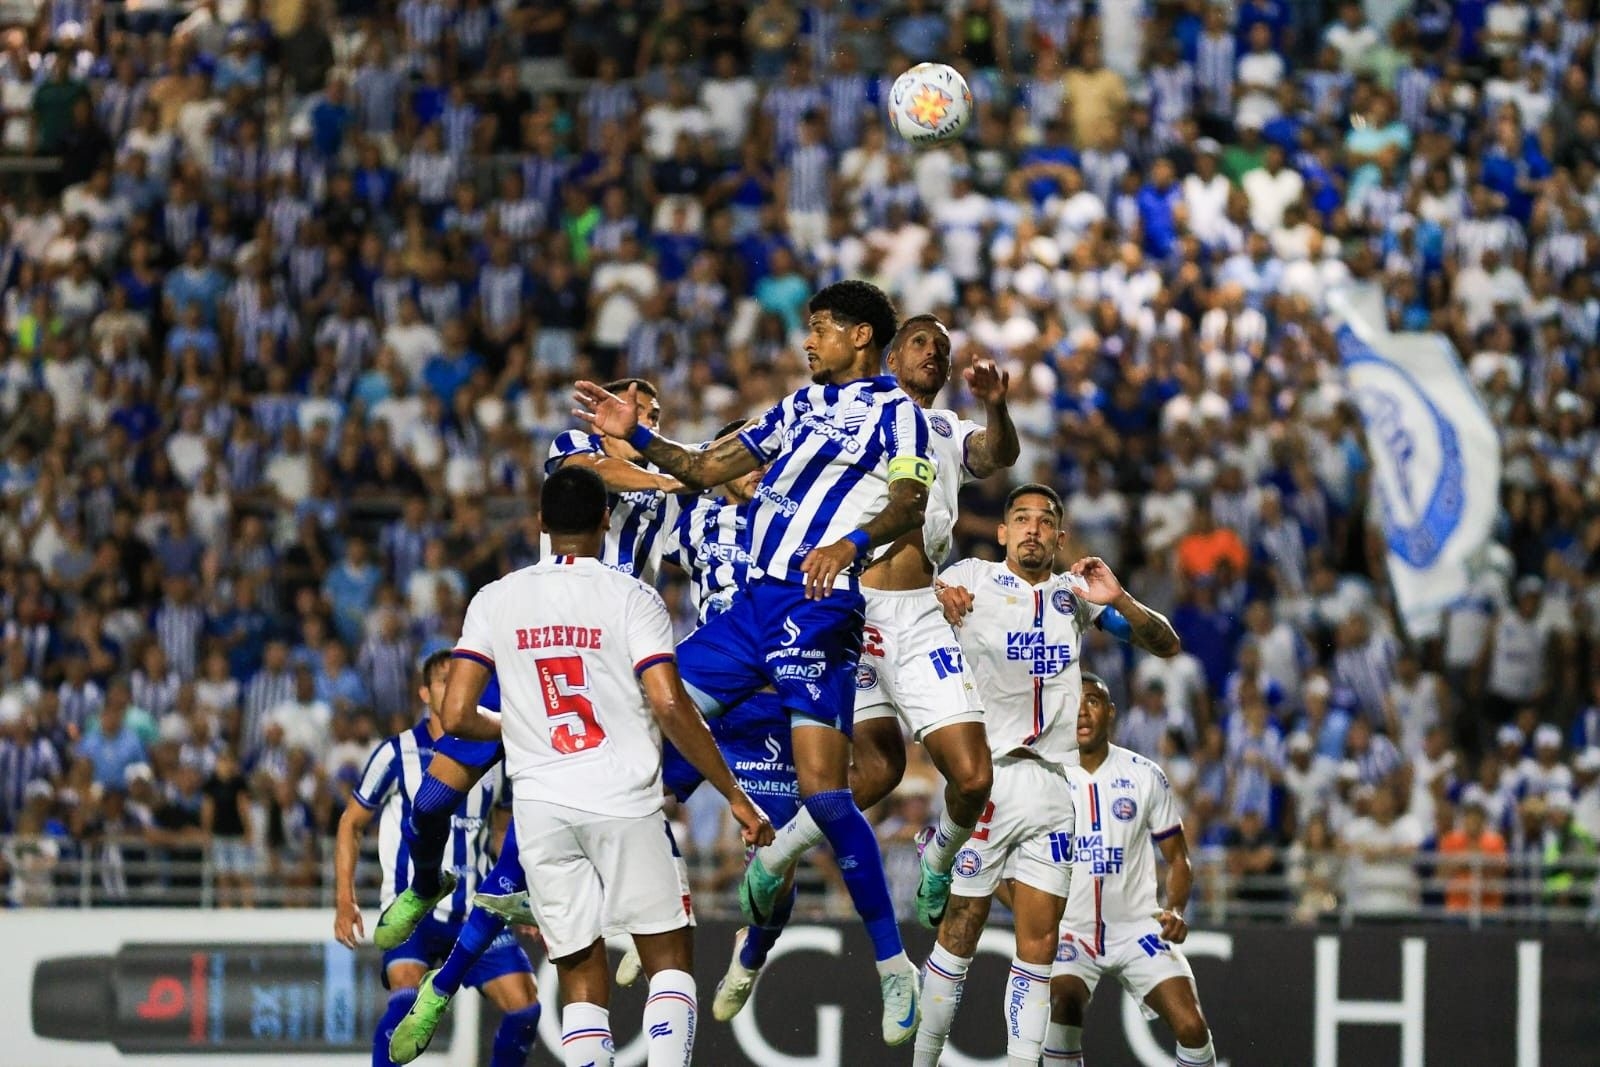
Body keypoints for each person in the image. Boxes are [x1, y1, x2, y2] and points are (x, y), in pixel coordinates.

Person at [571, 279, 934, 1044]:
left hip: (819, 603)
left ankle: (895, 964)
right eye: (810, 329)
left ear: (862, 337)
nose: (810, 341)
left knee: (824, 795)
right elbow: (703, 468)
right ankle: (643, 902)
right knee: (647, 726)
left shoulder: (898, 412)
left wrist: (851, 544)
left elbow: (908, 503)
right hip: (749, 614)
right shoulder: (798, 407)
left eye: (824, 328)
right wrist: (635, 433)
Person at [430, 465, 773, 1067]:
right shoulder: (632, 596)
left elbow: (456, 713)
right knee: (668, 956)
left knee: (579, 967)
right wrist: (734, 794)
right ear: (605, 521)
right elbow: (669, 702)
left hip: (538, 811)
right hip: (623, 799)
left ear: (540, 523)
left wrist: (516, 728)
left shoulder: (496, 598)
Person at [740, 314, 1019, 955]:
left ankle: (937, 857)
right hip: (852, 610)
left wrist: (996, 407)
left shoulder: (946, 429)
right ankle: (774, 858)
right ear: (890, 358)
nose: (935, 353)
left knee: (973, 779)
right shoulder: (849, 418)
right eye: (921, 341)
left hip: (920, 614)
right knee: (875, 771)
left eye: (943, 349)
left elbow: (996, 454)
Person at [914, 485, 1182, 1066]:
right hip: (989, 775)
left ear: (1061, 539)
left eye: (1046, 522)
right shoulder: (973, 576)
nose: (1033, 529)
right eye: (1021, 519)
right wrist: (938, 592)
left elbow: (1167, 643)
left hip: (1057, 790)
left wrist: (1124, 598)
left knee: (1040, 948)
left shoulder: (1076, 597)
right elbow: (905, 597)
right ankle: (924, 1059)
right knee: (961, 926)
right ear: (1004, 532)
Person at [332, 651, 543, 1067]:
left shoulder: (495, 751)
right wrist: (345, 899)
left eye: (461, 678)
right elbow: (350, 823)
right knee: (406, 1002)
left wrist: (526, 894)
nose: (455, 685)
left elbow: (503, 831)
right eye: (444, 679)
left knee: (526, 1008)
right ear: (425, 693)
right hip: (414, 911)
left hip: (475, 909)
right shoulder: (397, 753)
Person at [1044, 675, 1217, 1067]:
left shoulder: (1145, 774)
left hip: (1138, 927)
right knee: (1062, 1005)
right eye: (1074, 702)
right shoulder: (1046, 776)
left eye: (1092, 701)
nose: (1082, 711)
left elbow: (1178, 859)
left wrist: (1175, 908)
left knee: (1191, 1025)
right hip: (1072, 929)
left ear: (1110, 712)